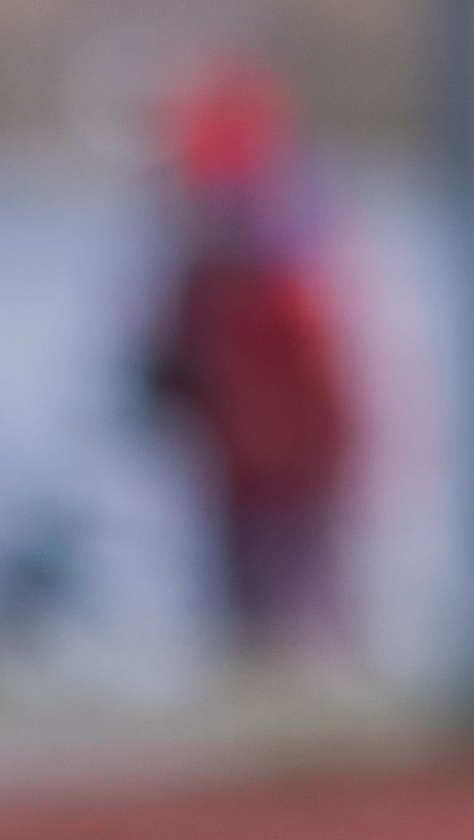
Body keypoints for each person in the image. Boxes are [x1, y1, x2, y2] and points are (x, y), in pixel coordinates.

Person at [136, 58, 362, 658]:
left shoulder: (287, 282)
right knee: (242, 623)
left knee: (301, 616)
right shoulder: (204, 280)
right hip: (234, 479)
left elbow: (325, 393)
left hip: (293, 484)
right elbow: (172, 368)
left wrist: (327, 466)